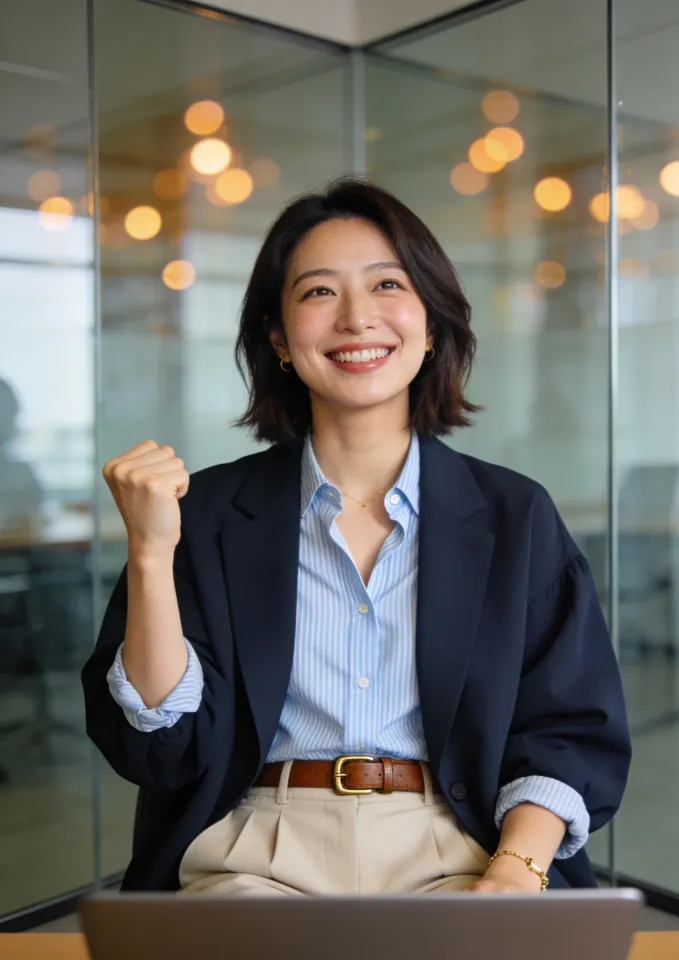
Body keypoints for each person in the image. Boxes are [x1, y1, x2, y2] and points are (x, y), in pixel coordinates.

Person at [81, 178, 630, 896]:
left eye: (386, 285)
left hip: (457, 845)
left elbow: (567, 728)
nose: (356, 319)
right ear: (278, 336)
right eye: (317, 293)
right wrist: (152, 553)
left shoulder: (514, 515)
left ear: (430, 323)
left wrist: (516, 870)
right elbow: (163, 753)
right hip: (254, 851)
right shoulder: (207, 512)